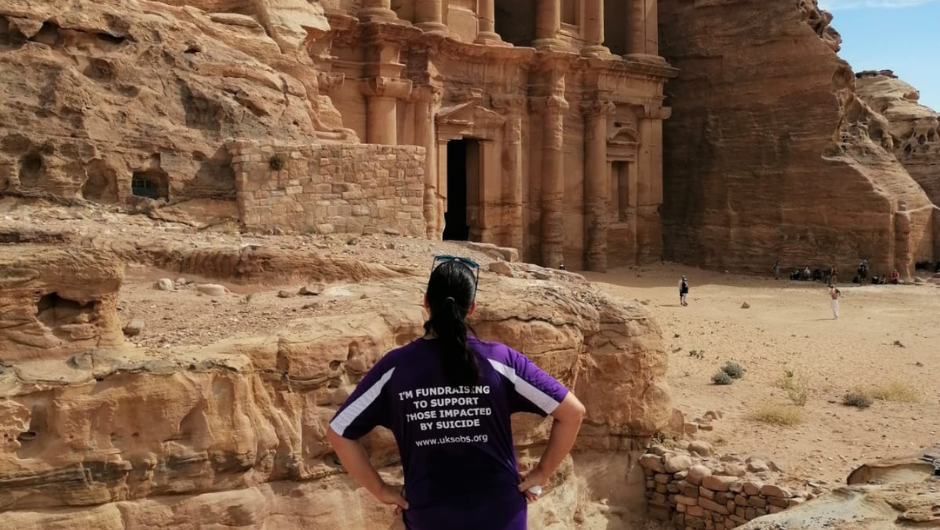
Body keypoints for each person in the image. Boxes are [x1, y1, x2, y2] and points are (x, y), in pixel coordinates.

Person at [327, 256, 586, 530]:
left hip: (431, 515)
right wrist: (541, 473)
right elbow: (573, 412)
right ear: (471, 308)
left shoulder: (396, 367)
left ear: (426, 302)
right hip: (501, 515)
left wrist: (380, 490)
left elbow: (339, 432)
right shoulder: (499, 360)